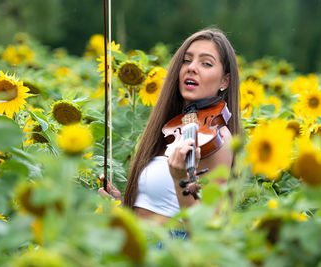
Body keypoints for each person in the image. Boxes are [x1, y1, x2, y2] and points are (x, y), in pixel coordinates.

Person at [98, 28, 241, 225]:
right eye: (187, 60)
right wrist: (119, 209)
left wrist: (180, 179)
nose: (192, 68)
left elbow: (206, 232)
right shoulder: (171, 128)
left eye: (206, 63)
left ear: (225, 80)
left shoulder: (219, 139)